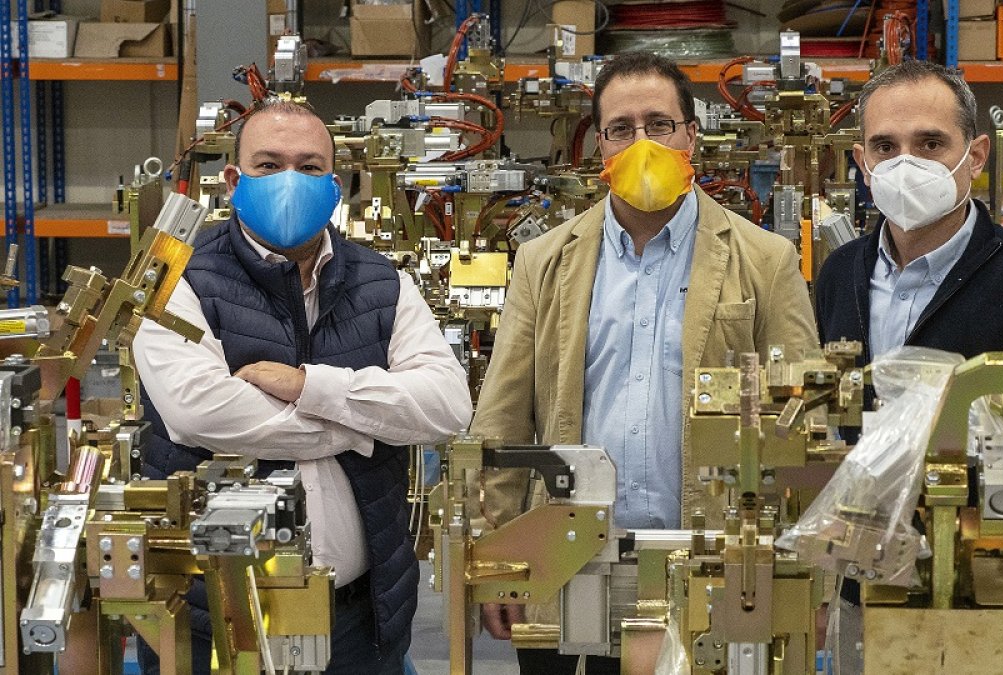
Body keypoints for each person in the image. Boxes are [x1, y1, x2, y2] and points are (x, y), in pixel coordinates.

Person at [469, 51, 819, 674]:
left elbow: (803, 428)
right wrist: (499, 558)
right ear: (599, 146)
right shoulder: (544, 261)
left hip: (706, 560)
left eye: (658, 125)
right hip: (566, 557)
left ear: (691, 134)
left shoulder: (765, 259)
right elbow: (503, 419)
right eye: (621, 129)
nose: (641, 142)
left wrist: (803, 566)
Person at [132, 98, 473, 674]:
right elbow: (198, 413)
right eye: (268, 166)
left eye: (310, 167)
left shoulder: (382, 283)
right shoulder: (176, 276)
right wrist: (360, 425)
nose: (290, 180)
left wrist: (308, 386)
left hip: (358, 617)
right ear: (234, 181)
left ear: (335, 186)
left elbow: (447, 405)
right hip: (211, 612)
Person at [814, 60, 1003, 674]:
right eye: (886, 146)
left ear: (977, 154)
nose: (906, 162)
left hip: (1000, 589)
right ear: (861, 162)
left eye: (931, 143)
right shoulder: (838, 275)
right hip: (870, 586)